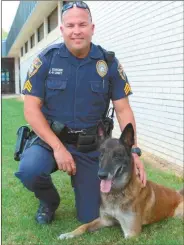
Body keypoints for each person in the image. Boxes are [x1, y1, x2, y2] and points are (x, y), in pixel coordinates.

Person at [15, 1, 146, 225]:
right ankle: (49, 201)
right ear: (62, 29)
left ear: (92, 28)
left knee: (90, 217)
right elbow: (30, 109)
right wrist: (58, 148)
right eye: (71, 25)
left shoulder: (108, 63)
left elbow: (123, 110)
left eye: (82, 24)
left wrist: (133, 151)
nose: (77, 30)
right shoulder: (46, 60)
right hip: (51, 140)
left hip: (91, 145)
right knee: (30, 169)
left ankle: (85, 184)